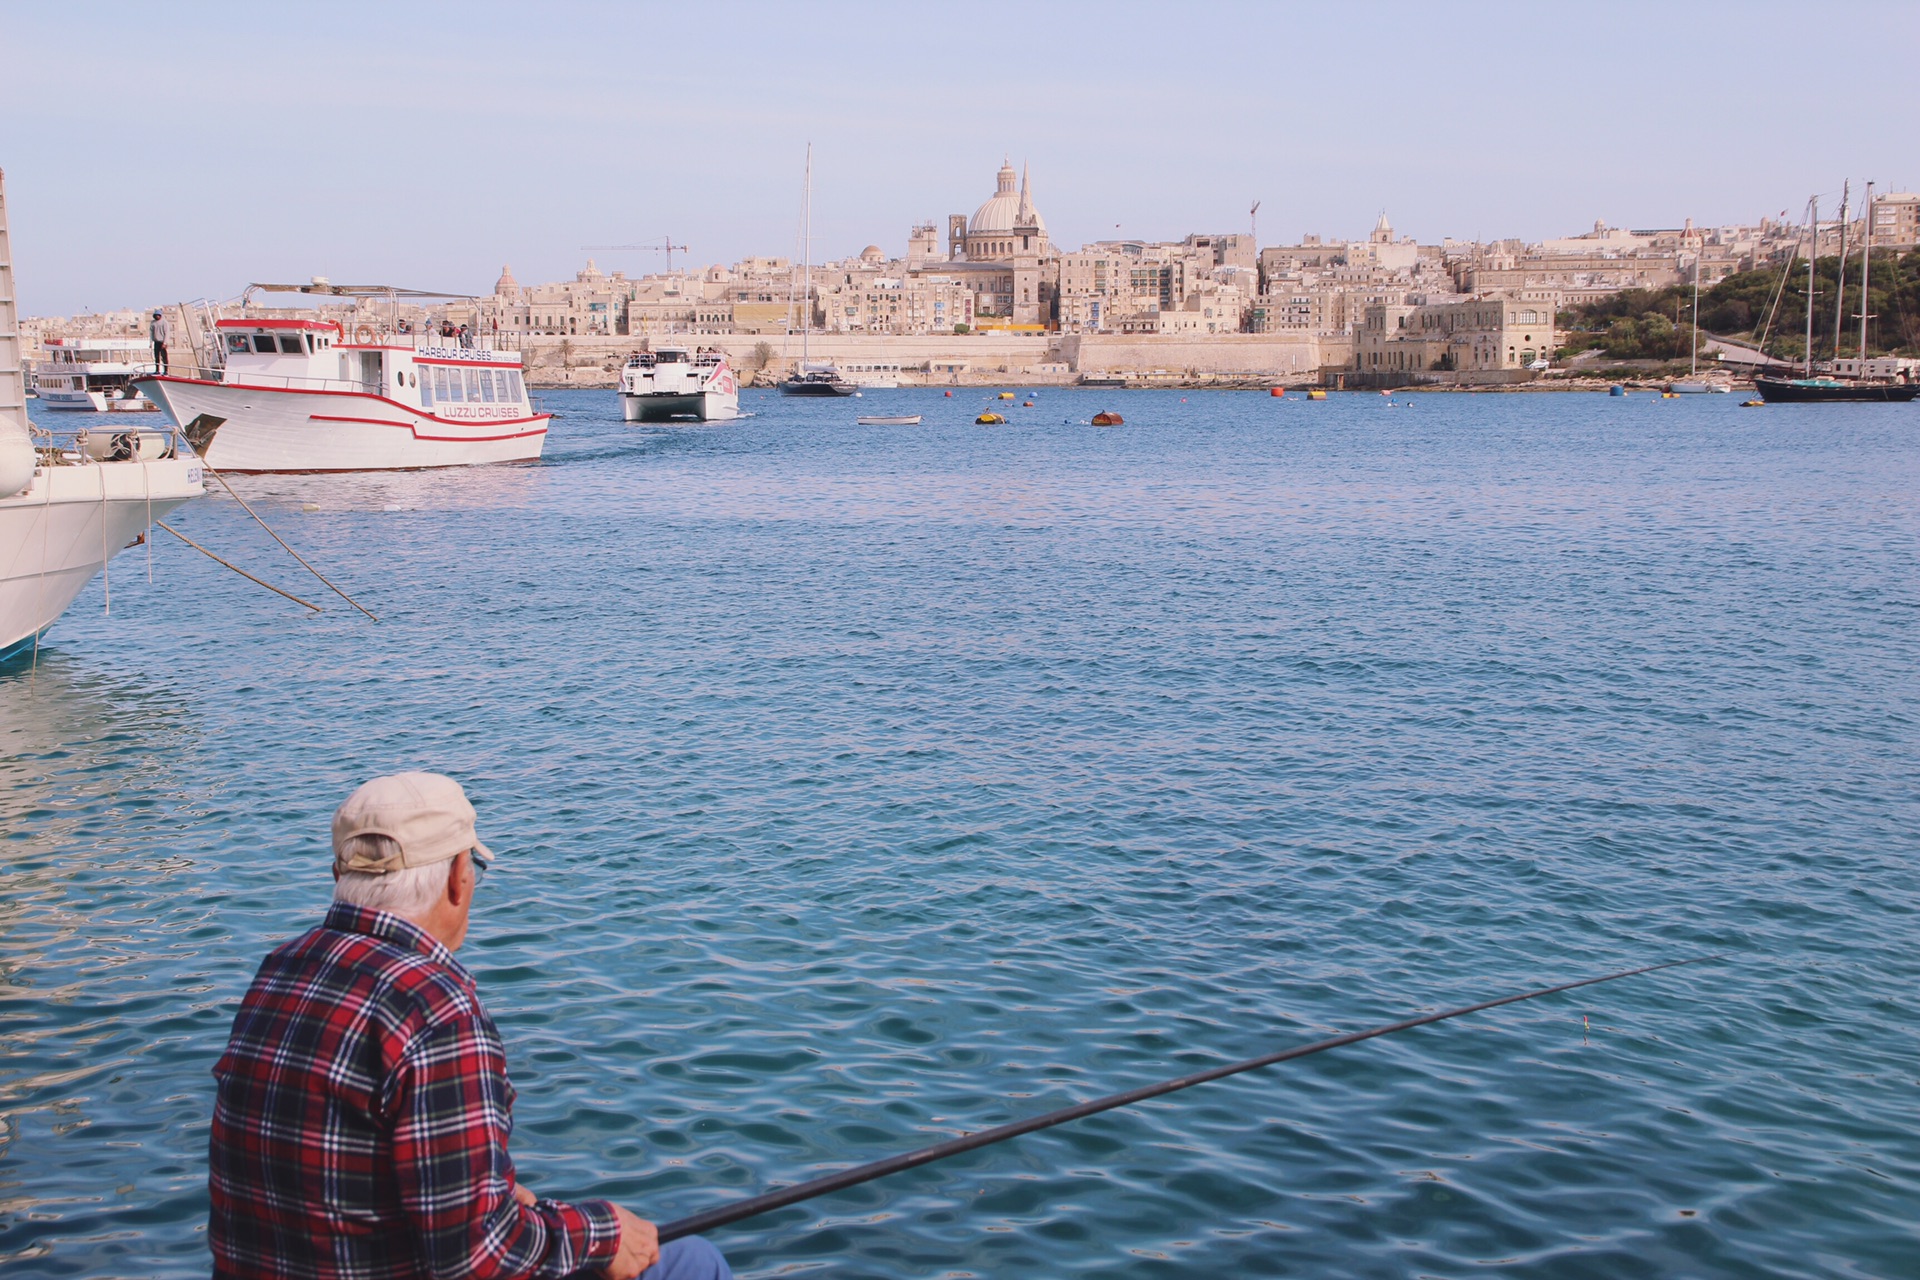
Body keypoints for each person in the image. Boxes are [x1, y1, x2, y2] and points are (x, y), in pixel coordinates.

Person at [209, 772, 732, 1280]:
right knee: (693, 1263)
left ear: (337, 878)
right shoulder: (436, 1008)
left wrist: (504, 1205)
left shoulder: (281, 969)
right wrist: (602, 1234)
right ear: (460, 879)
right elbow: (475, 1258)